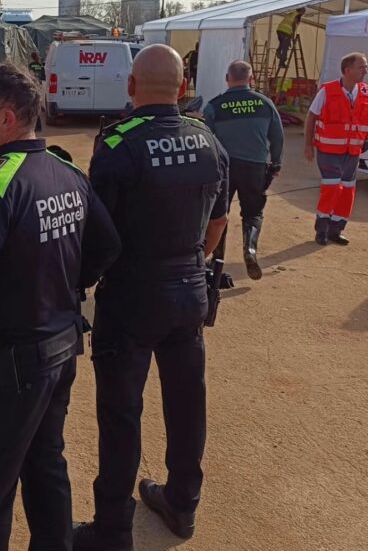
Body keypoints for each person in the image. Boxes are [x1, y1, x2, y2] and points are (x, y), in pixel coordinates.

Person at [0, 63, 121, 551]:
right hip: (59, 352)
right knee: (46, 465)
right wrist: (64, 288)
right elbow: (106, 246)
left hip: (7, 368)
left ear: (7, 118)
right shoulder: (67, 170)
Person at [73, 44, 229, 551]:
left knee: (121, 413)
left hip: (131, 295)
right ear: (183, 88)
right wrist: (197, 262)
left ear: (131, 88)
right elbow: (221, 218)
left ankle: (113, 530)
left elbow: (99, 231)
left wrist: (83, 282)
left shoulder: (118, 143)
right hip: (190, 289)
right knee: (188, 403)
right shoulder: (207, 139)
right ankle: (183, 505)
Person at [204, 60, 284, 279]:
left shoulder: (214, 106)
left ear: (227, 79)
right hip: (255, 168)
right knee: (253, 212)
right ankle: (250, 250)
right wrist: (276, 162)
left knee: (219, 214)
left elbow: (207, 139)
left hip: (224, 169)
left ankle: (217, 258)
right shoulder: (265, 104)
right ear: (251, 79)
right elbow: (277, 137)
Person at [303, 52, 368, 245]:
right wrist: (308, 145)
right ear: (347, 70)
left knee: (347, 191)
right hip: (329, 151)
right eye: (361, 67)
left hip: (353, 152)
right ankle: (321, 230)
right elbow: (311, 117)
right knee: (331, 188)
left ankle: (336, 230)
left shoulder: (365, 92)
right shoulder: (327, 91)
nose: (365, 70)